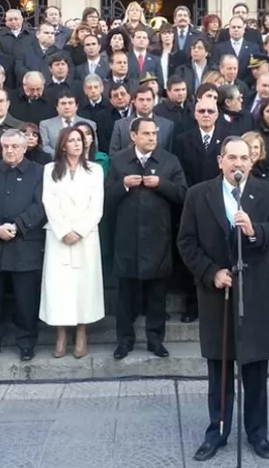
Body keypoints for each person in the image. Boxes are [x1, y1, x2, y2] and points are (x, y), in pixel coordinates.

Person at [177, 136, 269, 462]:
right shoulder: (199, 195)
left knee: (255, 371)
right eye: (232, 157)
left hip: (255, 293)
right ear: (220, 161)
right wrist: (211, 272)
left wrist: (254, 230)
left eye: (244, 158)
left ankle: (257, 433)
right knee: (220, 369)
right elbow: (186, 242)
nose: (238, 163)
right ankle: (218, 431)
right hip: (218, 294)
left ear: (251, 162)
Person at [106, 117, 187, 359]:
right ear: (133, 136)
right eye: (147, 134)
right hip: (127, 237)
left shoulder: (169, 161)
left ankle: (155, 340)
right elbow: (106, 196)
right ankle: (124, 341)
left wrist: (162, 184)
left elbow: (184, 194)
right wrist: (123, 185)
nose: (152, 138)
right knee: (125, 295)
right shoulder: (119, 161)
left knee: (157, 293)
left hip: (157, 237)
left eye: (154, 133)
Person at [0, 129, 46, 362]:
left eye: (15, 146)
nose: (10, 150)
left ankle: (26, 343)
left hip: (25, 243)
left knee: (25, 299)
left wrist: (17, 225)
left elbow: (40, 205)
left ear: (25, 148)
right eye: (6, 146)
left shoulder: (39, 172)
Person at [39, 126, 105, 358]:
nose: (77, 144)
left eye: (80, 140)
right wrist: (64, 230)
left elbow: (96, 206)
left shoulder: (95, 170)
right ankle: (60, 335)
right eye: (72, 140)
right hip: (58, 237)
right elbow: (49, 202)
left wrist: (78, 230)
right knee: (60, 288)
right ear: (62, 145)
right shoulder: (50, 170)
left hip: (85, 237)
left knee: (84, 287)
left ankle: (81, 333)